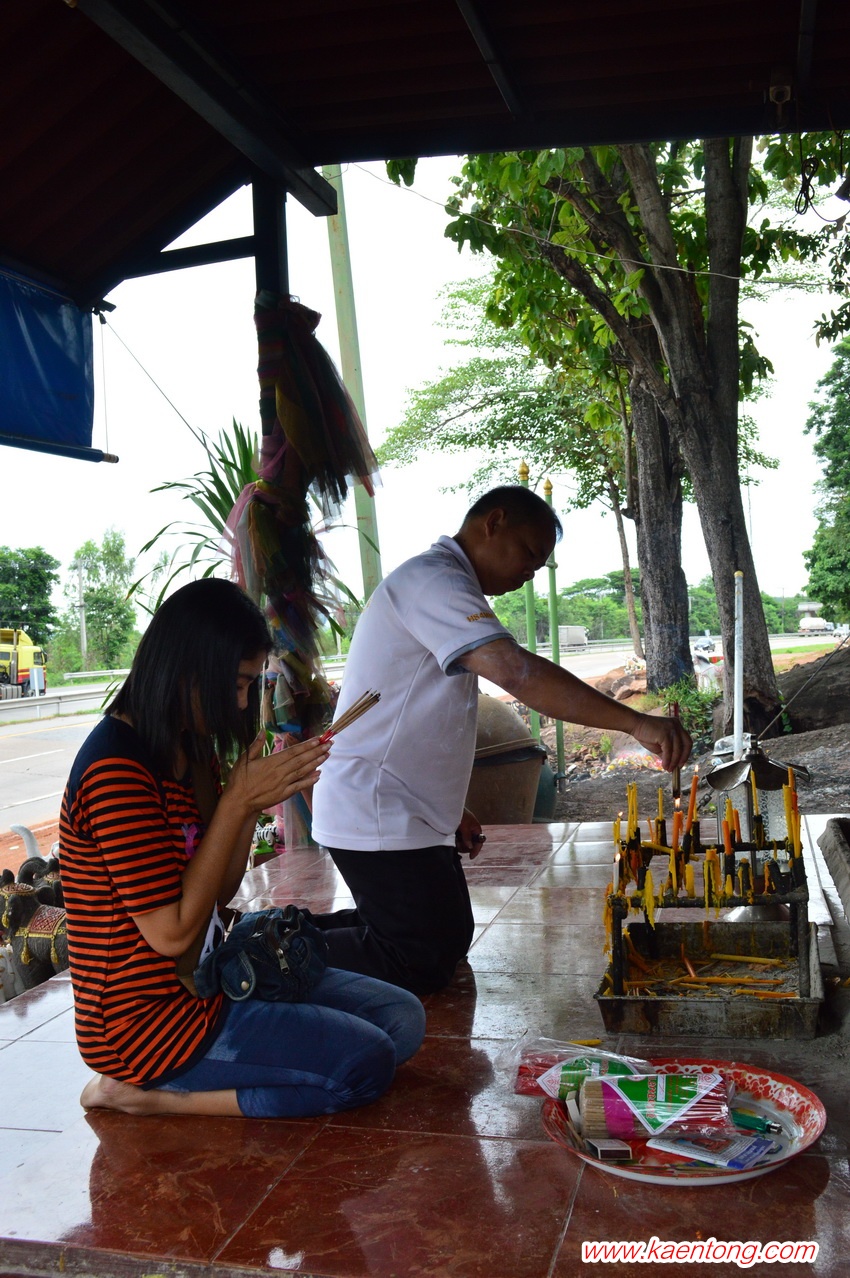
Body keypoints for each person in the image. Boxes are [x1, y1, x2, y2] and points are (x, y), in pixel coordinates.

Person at [59, 578, 425, 1120]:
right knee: (365, 1062)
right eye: (235, 684)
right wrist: (237, 802)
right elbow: (170, 934)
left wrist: (249, 801)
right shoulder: (116, 770)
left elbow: (219, 890)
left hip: (210, 977)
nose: (239, 701)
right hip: (145, 1023)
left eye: (248, 684)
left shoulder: (188, 747)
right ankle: (147, 1096)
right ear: (186, 669)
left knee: (401, 1019)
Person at [311, 486, 692, 995]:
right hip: (374, 805)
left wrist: (450, 808)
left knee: (445, 938)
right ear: (493, 523)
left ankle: (285, 936)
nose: (530, 572)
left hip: (400, 804)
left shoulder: (447, 585)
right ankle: (264, 954)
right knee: (418, 958)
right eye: (529, 553)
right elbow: (515, 672)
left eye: (539, 565)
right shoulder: (435, 581)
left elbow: (415, 718)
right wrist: (636, 724)